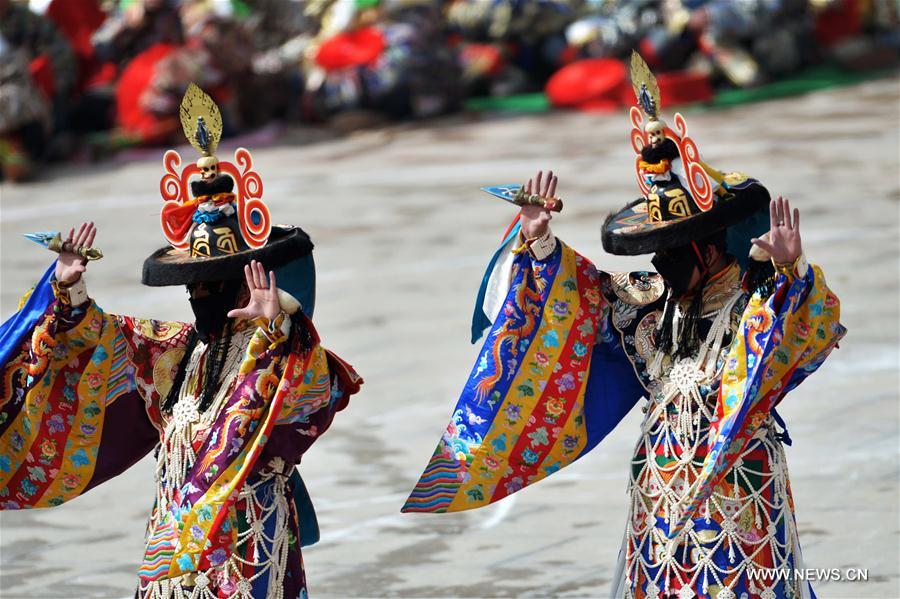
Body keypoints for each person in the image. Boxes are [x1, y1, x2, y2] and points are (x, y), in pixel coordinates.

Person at [403, 54, 845, 599]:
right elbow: (579, 297)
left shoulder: (757, 304)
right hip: (658, 482)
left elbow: (807, 330)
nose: (659, 264)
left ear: (709, 250)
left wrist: (789, 270)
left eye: (672, 252)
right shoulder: (650, 298)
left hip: (737, 484)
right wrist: (539, 241)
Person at [0, 85, 362, 598]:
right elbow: (102, 340)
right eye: (193, 285)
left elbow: (313, 388)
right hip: (174, 544)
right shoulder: (178, 351)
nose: (200, 295)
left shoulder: (276, 353)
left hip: (248, 543)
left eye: (212, 284)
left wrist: (280, 323)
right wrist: (70, 288)